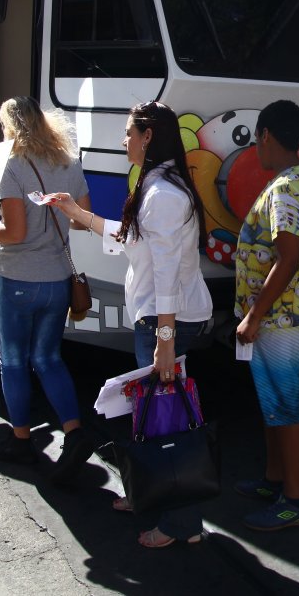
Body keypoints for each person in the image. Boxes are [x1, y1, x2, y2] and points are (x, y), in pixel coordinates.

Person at [49, 101, 212, 549]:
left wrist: (164, 338)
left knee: (168, 421)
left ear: (148, 137)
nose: (123, 141)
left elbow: (163, 272)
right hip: (164, 321)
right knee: (153, 413)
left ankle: (182, 524)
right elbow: (129, 239)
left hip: (166, 323)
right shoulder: (160, 187)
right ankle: (148, 495)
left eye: (128, 133)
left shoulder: (162, 194)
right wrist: (74, 212)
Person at [0, 96, 93, 483]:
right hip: (56, 279)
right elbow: (83, 221)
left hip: (17, 278)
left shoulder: (14, 167)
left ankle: (21, 440)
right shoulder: (68, 163)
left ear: (12, 128)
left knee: (14, 361)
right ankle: (74, 432)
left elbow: (14, 233)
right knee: (49, 358)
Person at [234, 100, 299, 531]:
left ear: (266, 135)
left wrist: (254, 315)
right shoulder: (297, 180)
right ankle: (274, 479)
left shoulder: (285, 187)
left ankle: (296, 499)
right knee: (274, 404)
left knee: (286, 406)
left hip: (278, 320)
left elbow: (288, 257)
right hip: (277, 316)